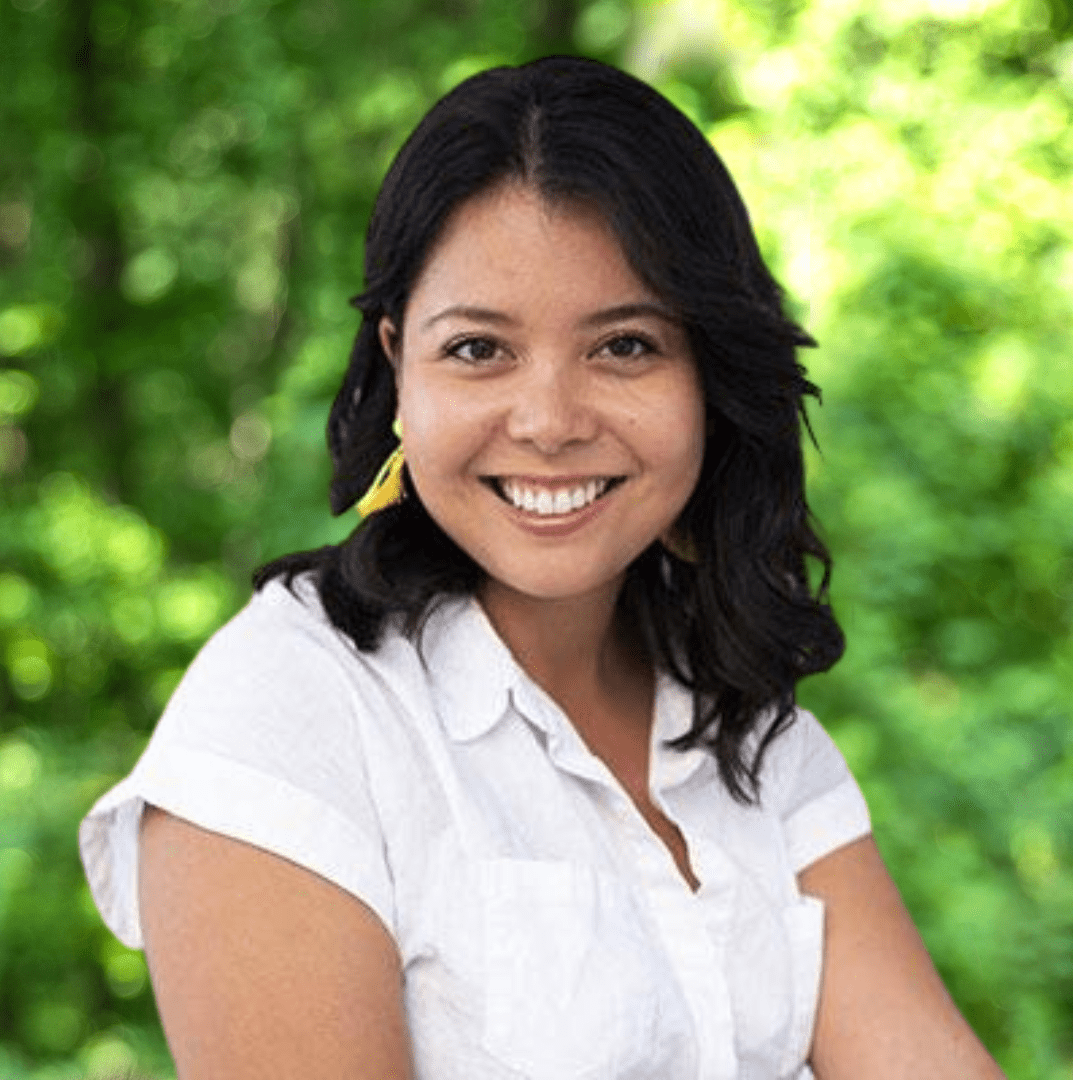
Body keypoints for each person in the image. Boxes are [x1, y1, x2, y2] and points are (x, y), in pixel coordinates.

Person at [79, 56, 1006, 1080]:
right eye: (480, 349)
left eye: (625, 346)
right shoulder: (287, 720)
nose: (551, 422)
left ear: (710, 372)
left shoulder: (754, 735)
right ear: (398, 370)